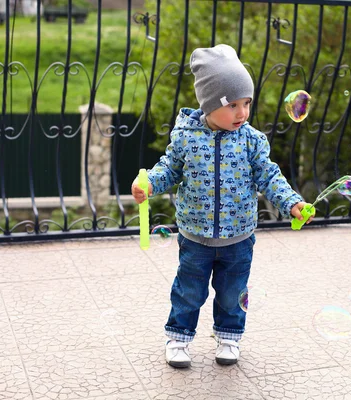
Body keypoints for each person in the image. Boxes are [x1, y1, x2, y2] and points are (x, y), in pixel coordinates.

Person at [131, 44, 312, 368]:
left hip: (239, 237)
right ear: (209, 104)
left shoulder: (251, 140)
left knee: (233, 294)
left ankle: (229, 337)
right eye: (233, 105)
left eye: (247, 103)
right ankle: (178, 338)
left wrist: (292, 202)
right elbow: (170, 168)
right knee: (188, 291)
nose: (242, 113)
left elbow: (269, 176)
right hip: (195, 236)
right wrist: (148, 184)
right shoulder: (186, 136)